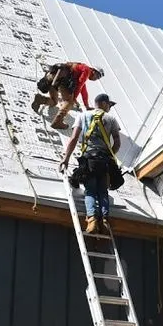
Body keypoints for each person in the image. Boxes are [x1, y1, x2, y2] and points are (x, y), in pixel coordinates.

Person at [59, 94, 121, 234]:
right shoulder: (111, 119)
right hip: (104, 161)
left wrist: (66, 158)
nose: (110, 108)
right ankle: (104, 221)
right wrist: (110, 156)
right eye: (109, 105)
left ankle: (92, 220)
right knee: (103, 192)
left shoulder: (83, 116)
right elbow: (117, 143)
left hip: (89, 160)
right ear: (104, 103)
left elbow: (74, 138)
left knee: (91, 192)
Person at [30, 62, 105, 129]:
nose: (96, 79)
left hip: (54, 77)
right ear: (94, 71)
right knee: (69, 103)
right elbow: (79, 84)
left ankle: (40, 99)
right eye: (98, 76)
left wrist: (87, 106)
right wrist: (73, 99)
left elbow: (83, 90)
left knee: (54, 101)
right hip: (63, 79)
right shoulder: (87, 70)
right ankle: (57, 122)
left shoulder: (81, 68)